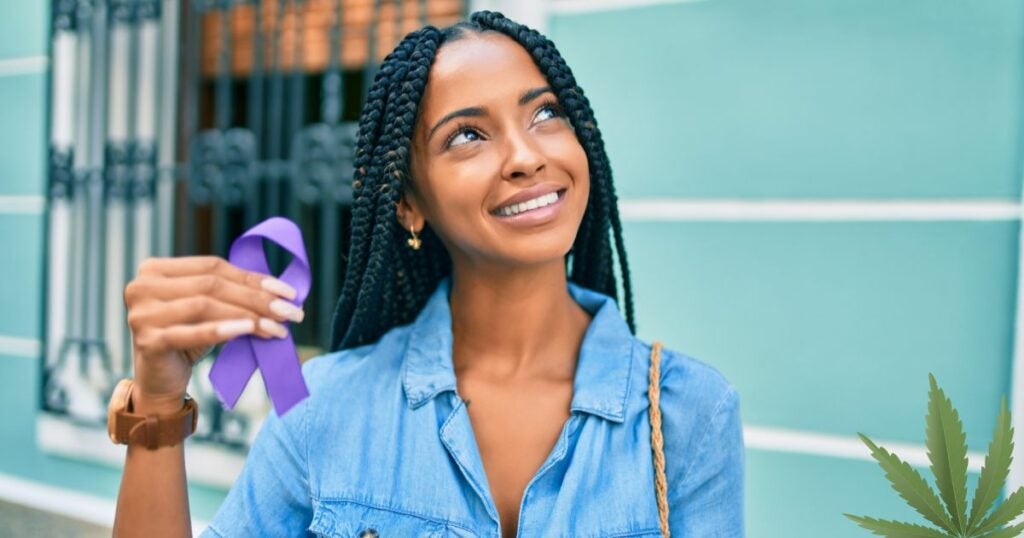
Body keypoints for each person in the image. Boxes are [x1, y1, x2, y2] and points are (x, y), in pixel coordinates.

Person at [112, 11, 744, 537]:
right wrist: (159, 407)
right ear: (408, 203)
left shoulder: (687, 413)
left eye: (545, 113)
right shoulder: (321, 410)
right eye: (468, 135)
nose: (526, 156)